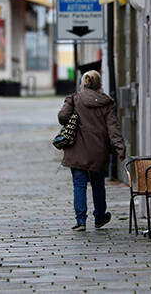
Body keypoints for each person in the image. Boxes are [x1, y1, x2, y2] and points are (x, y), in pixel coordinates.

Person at [58, 70, 125, 231]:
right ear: (99, 84)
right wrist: (120, 147)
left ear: (83, 83)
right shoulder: (107, 102)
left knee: (79, 185)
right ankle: (100, 216)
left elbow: (62, 117)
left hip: (77, 150)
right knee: (98, 184)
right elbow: (113, 128)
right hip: (98, 151)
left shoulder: (74, 98)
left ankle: (81, 221)